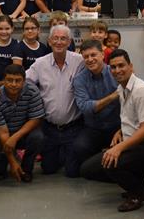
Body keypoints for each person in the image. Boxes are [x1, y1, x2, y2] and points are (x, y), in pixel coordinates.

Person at [80, 49, 144, 213]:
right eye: (113, 67)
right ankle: (136, 180)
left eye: (121, 66)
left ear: (131, 66)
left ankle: (138, 193)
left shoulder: (141, 90)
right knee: (87, 169)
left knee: (109, 163)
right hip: (134, 144)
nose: (117, 70)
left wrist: (118, 148)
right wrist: (120, 131)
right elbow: (132, 120)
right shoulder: (121, 88)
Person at [24, 24, 86, 177]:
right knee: (48, 169)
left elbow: (103, 70)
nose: (59, 42)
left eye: (63, 39)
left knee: (72, 172)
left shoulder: (80, 61)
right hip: (49, 128)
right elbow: (22, 81)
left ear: (69, 41)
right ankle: (61, 154)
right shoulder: (40, 63)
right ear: (50, 41)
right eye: (55, 38)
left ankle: (68, 154)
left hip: (73, 128)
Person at [0, 64, 45, 183]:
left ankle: (26, 169)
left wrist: (16, 137)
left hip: (23, 131)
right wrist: (12, 161)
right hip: (3, 133)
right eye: (9, 80)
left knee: (38, 137)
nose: (13, 84)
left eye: (18, 80)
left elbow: (36, 119)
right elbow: (3, 132)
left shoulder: (32, 91)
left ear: (24, 81)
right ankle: (1, 168)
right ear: (4, 81)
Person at [72, 40, 123, 175]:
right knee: (77, 153)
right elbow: (85, 107)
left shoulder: (115, 71)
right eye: (86, 57)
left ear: (102, 54)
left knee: (127, 155)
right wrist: (113, 96)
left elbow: (139, 83)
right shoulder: (79, 79)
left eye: (93, 55)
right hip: (93, 128)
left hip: (117, 127)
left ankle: (104, 168)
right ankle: (100, 167)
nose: (90, 59)